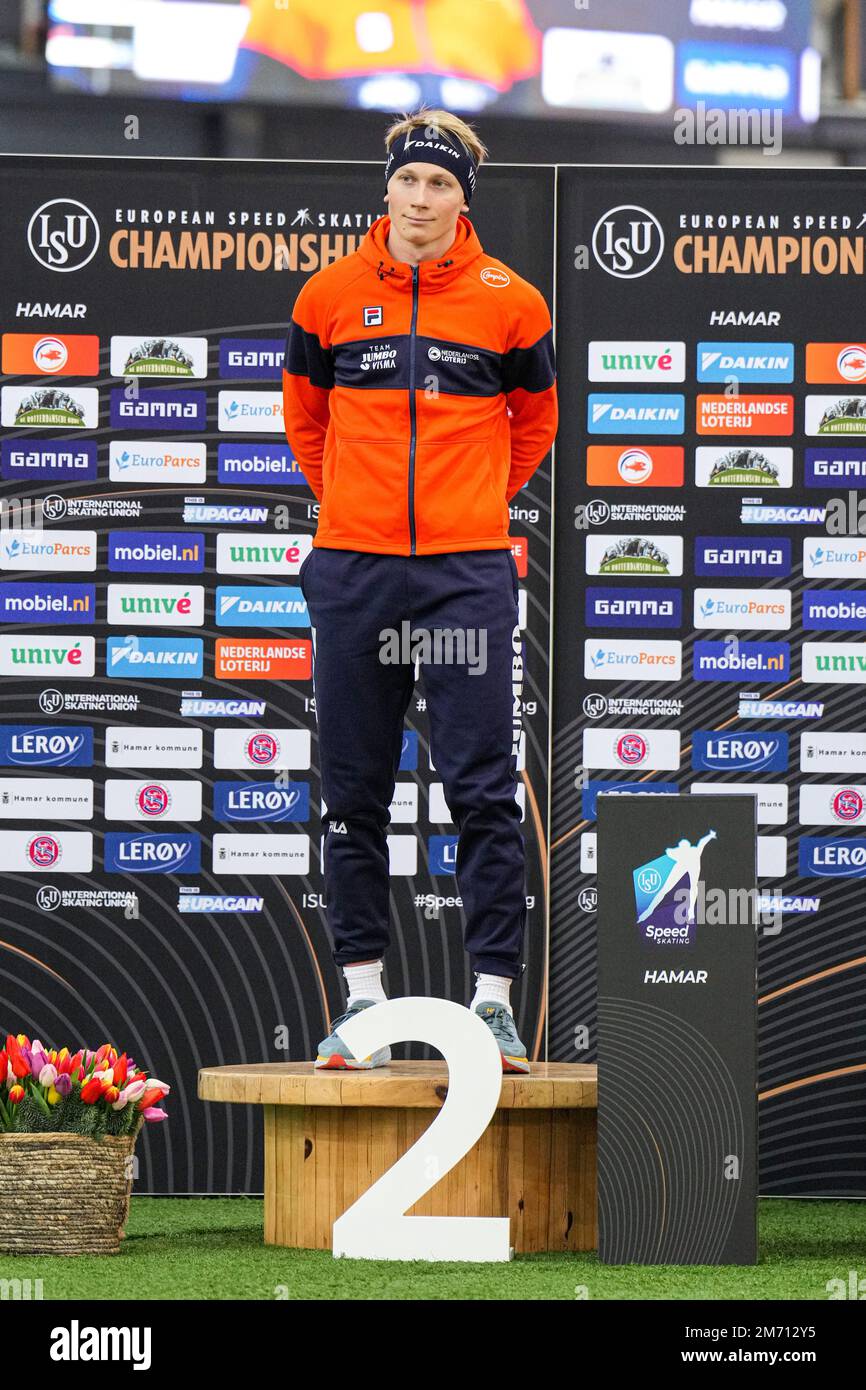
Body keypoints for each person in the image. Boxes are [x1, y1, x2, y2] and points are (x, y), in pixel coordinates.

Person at [282, 105, 558, 1072]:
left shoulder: (509, 301)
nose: (423, 199)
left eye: (442, 185)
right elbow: (306, 423)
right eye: (411, 180)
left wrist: (470, 506)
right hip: (355, 572)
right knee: (354, 795)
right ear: (386, 184)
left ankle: (492, 1005)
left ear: (462, 198)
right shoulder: (328, 295)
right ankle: (361, 1005)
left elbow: (534, 424)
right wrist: (355, 514)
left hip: (465, 575)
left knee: (482, 792)